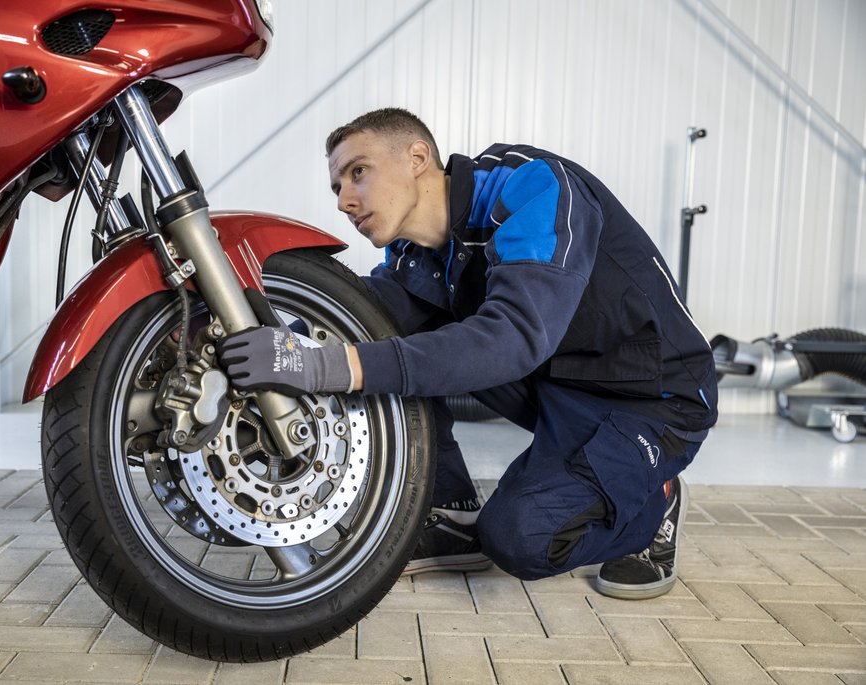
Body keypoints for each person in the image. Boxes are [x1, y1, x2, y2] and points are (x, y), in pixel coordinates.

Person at [219, 108, 718, 599]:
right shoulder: (419, 254)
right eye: (337, 188)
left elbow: (513, 338)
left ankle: (654, 506)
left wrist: (327, 367)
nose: (345, 201)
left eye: (358, 173)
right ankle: (450, 509)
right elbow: (364, 318)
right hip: (557, 384)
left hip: (652, 401)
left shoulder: (533, 187)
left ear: (417, 157)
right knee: (392, 327)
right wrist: (271, 347)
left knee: (520, 538)